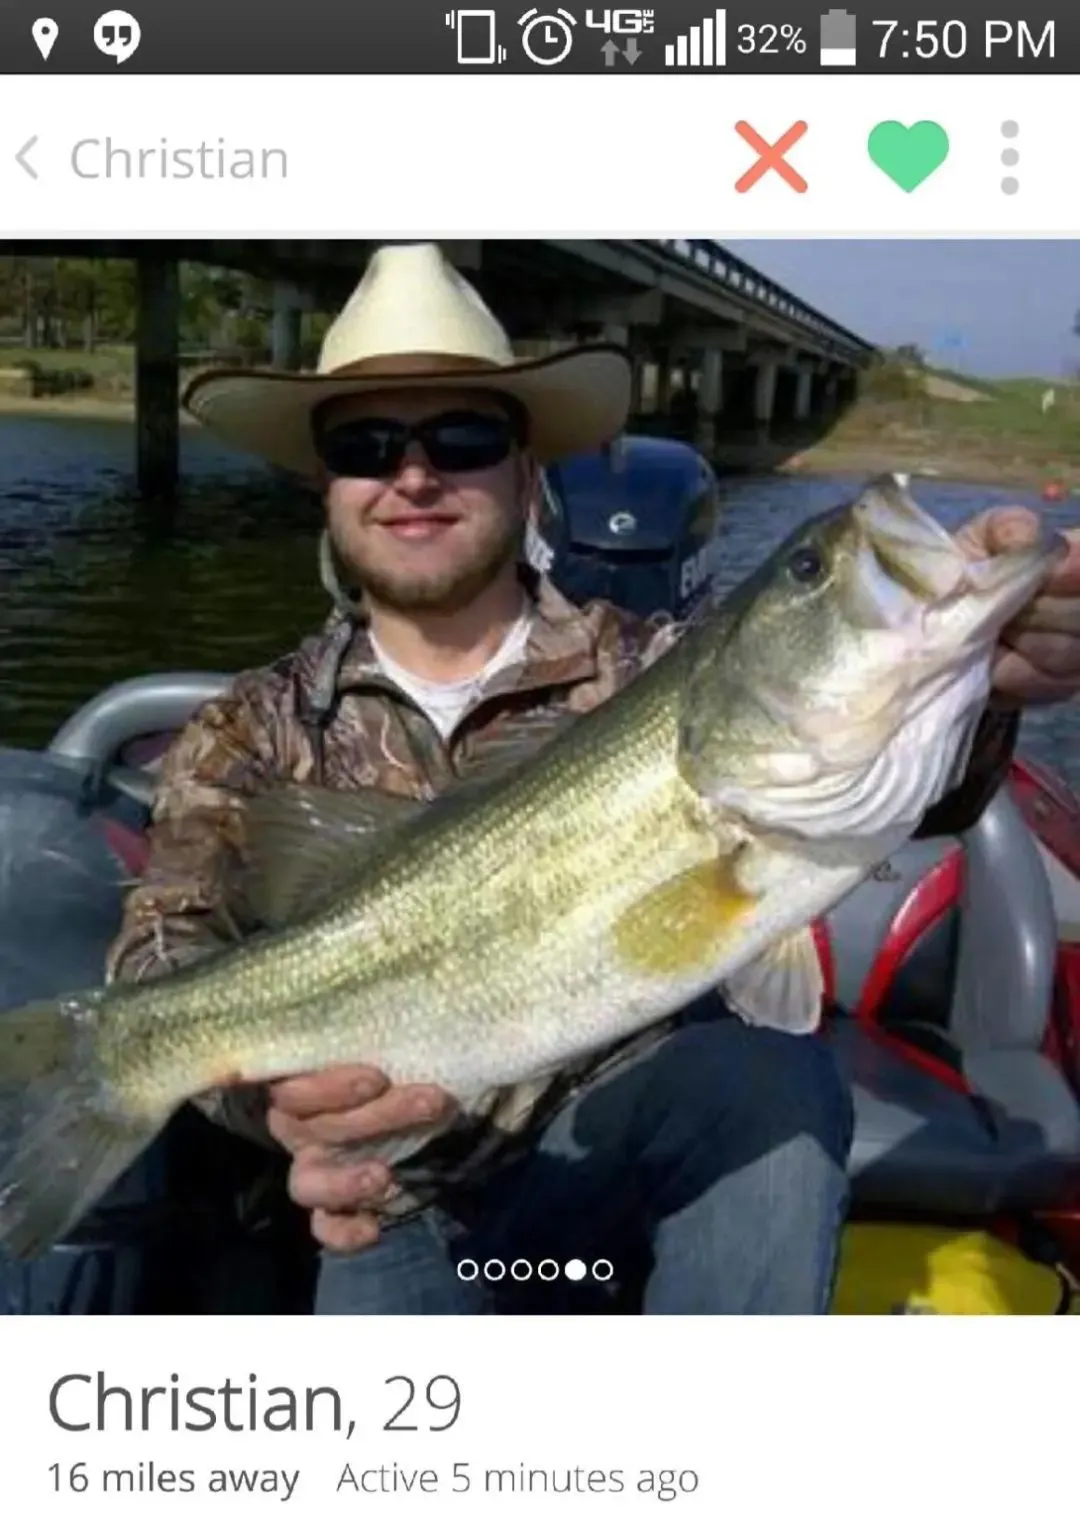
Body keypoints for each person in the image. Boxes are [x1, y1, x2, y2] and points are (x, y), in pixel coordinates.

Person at [106, 243, 1080, 1315]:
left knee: (773, 1081)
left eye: (464, 437)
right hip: (389, 1194)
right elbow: (163, 957)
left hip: (636, 1168)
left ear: (528, 470)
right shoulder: (247, 730)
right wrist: (286, 1112)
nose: (414, 475)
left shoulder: (655, 666)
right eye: (365, 444)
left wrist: (987, 686)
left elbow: (916, 789)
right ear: (324, 486)